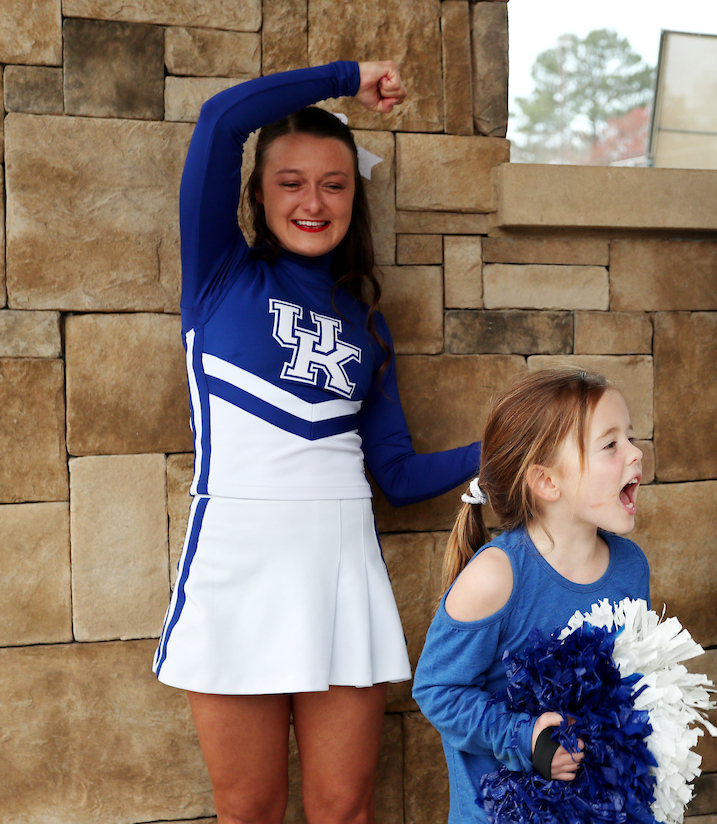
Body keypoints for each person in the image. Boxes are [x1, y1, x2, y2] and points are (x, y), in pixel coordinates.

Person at [152, 60, 480, 824]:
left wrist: (499, 449)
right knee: (251, 811)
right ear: (257, 195)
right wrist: (347, 78)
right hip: (239, 565)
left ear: (353, 197)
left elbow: (394, 475)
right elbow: (221, 119)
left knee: (345, 809)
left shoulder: (367, 323)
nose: (312, 201)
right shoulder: (218, 277)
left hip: (341, 571)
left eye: (334, 184)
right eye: (290, 182)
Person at [412, 368, 650, 823]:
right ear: (546, 482)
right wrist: (526, 739)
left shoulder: (631, 568)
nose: (636, 453)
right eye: (611, 444)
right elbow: (437, 689)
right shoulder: (496, 577)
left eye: (631, 437)